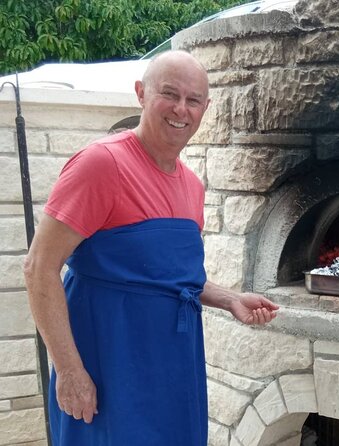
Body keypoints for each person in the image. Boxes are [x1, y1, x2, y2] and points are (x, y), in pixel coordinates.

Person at [24, 50, 279, 446]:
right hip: (108, 357)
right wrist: (70, 371)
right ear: (141, 93)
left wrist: (230, 299)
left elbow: (167, 275)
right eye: (169, 94)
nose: (181, 109)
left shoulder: (192, 186)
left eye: (193, 100)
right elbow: (39, 267)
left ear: (205, 108)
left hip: (173, 363)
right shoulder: (101, 164)